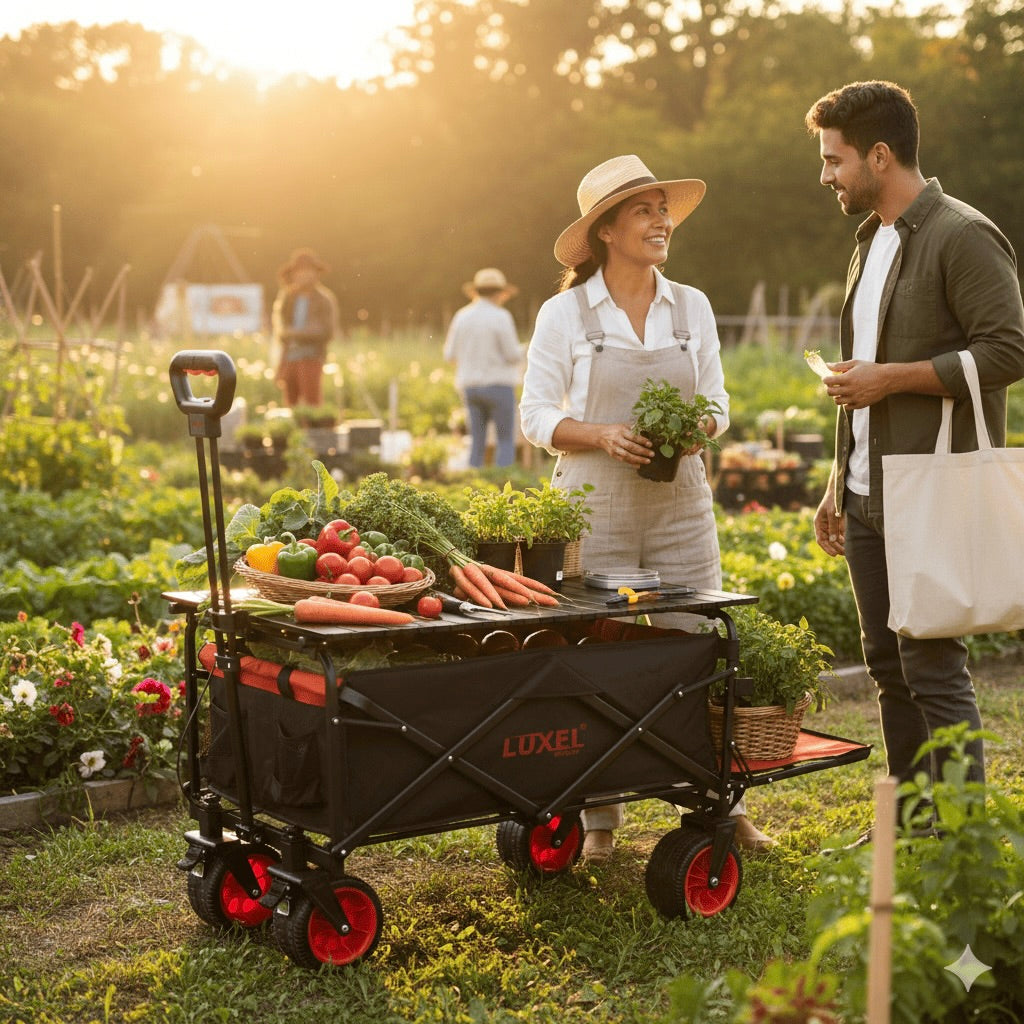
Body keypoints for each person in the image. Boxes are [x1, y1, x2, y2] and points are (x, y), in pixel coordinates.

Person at [519, 153, 773, 863]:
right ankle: (600, 822)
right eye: (644, 210)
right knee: (599, 658)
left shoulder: (690, 305)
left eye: (664, 209)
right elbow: (535, 416)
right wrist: (600, 433)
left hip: (681, 506)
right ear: (606, 230)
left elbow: (718, 402)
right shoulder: (565, 313)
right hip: (592, 508)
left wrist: (703, 428)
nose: (662, 221)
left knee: (700, 649)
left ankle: (722, 806)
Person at [804, 81, 1024, 838]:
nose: (827, 176)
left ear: (880, 154)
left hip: (930, 489)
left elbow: (1008, 350)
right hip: (869, 490)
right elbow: (862, 372)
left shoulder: (962, 235)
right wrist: (838, 479)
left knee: (931, 665)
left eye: (834, 161)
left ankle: (964, 833)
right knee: (887, 665)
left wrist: (888, 380)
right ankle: (913, 812)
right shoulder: (870, 239)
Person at [444, 267, 524, 468]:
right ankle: (502, 485)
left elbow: (449, 355)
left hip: (470, 387)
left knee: (477, 442)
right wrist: (526, 349)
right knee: (505, 440)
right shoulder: (501, 316)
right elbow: (512, 355)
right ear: (499, 293)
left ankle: (473, 488)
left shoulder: (461, 316)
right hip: (499, 385)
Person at [271, 247, 339, 408]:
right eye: (300, 271)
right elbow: (281, 330)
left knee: (311, 403)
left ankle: (313, 431)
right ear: (293, 274)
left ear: (316, 274)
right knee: (290, 404)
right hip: (289, 357)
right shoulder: (288, 298)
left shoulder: (324, 299)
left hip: (311, 356)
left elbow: (326, 331)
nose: (303, 275)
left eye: (308, 271)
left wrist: (296, 334)